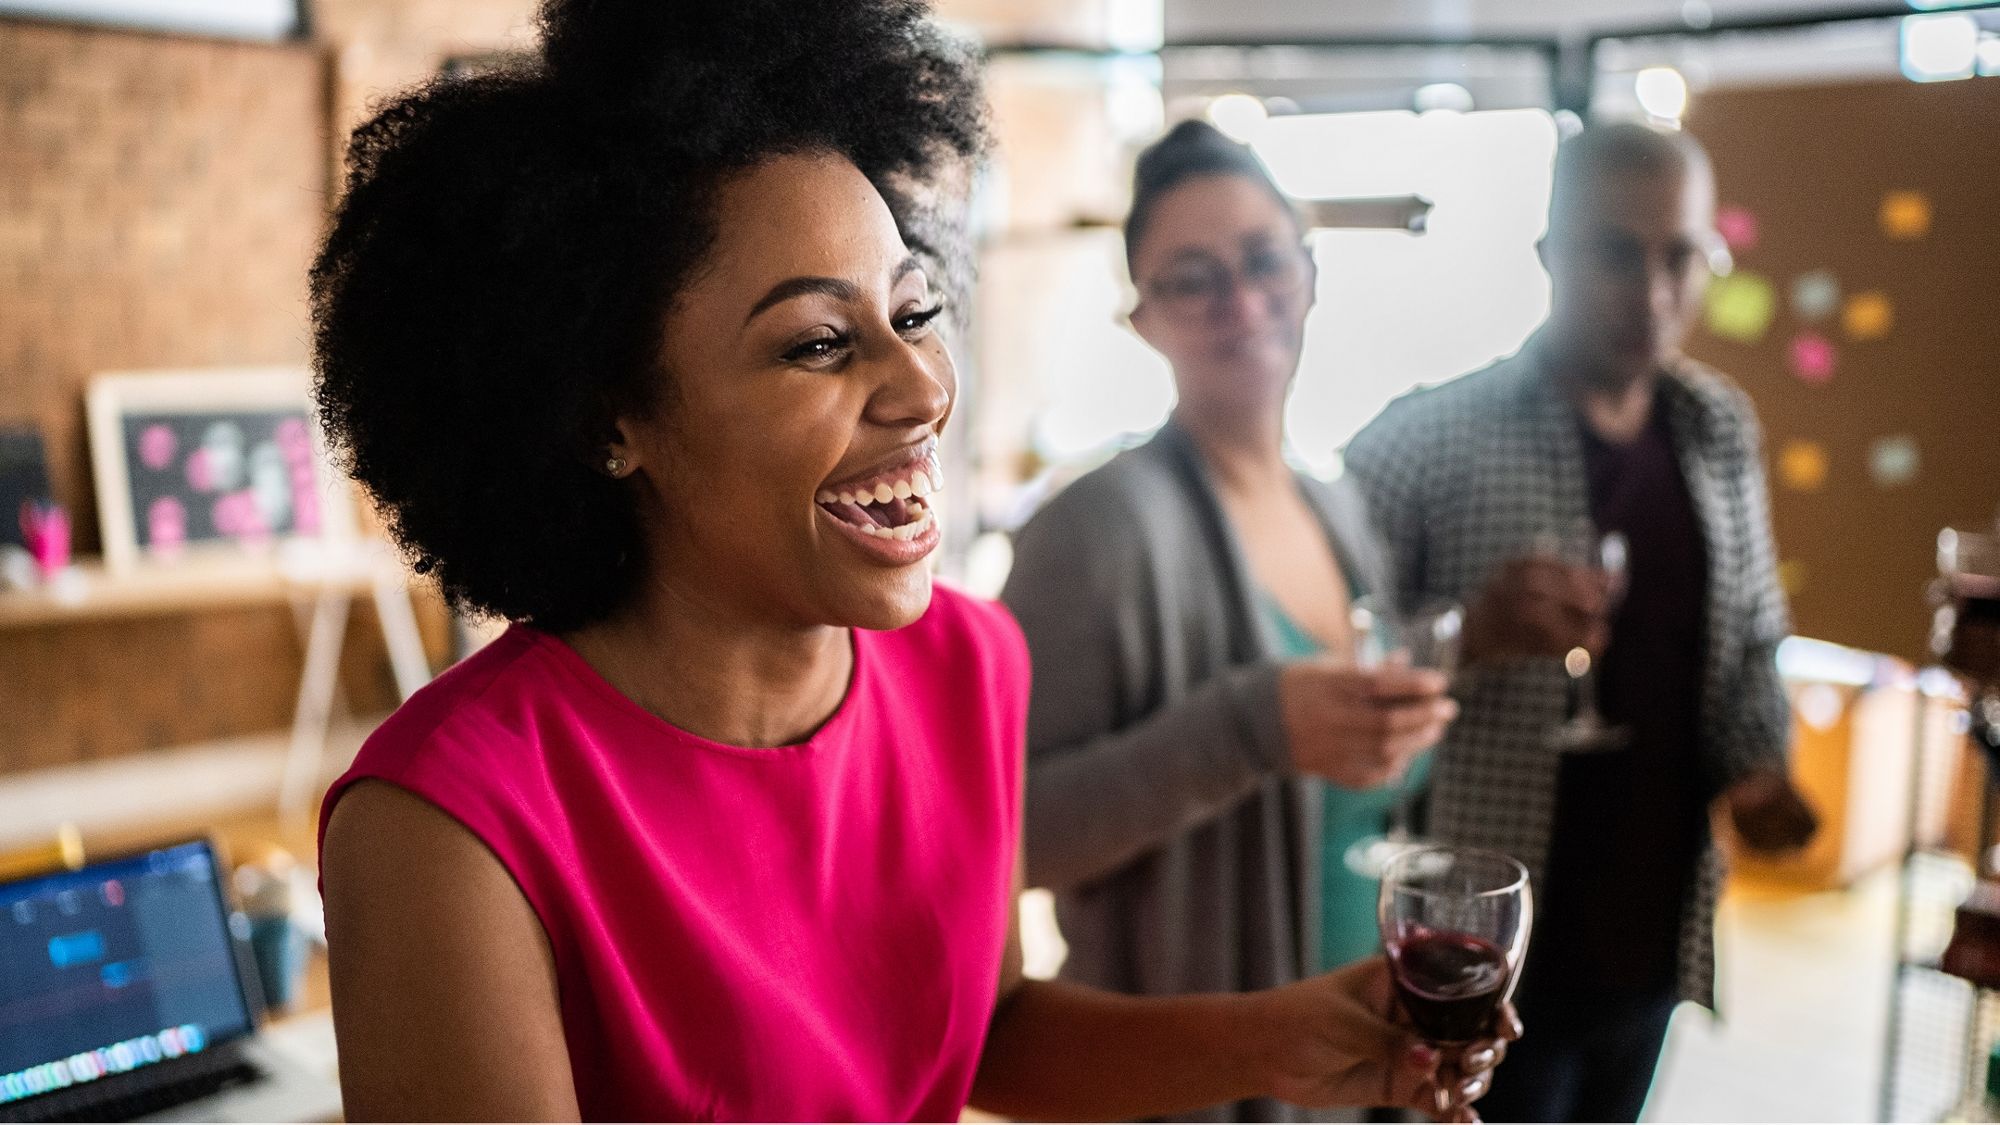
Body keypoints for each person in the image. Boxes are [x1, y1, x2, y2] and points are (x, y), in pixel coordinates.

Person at [308, 2, 1511, 1120]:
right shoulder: (452, 826)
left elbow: (986, 1035)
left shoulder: (963, 664)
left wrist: (1283, 1038)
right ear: (607, 420)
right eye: (819, 342)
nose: (924, 388)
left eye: (916, 312)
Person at [1342, 121, 1819, 1124]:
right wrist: (1467, 634)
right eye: (1613, 251)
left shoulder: (1717, 430)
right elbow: (1327, 668)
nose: (1649, 290)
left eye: (1677, 255)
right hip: (1478, 962)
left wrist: (1757, 769)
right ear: (1549, 256)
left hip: (1651, 939)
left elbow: (1744, 646)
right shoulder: (1421, 441)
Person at [1001, 120, 1472, 1123]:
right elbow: (1009, 841)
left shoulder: (1336, 509)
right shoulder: (1090, 533)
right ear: (1141, 319)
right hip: (1188, 1089)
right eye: (1190, 276)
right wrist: (1243, 728)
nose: (1241, 303)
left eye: (1263, 262)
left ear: (1308, 276)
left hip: (1352, 1067)